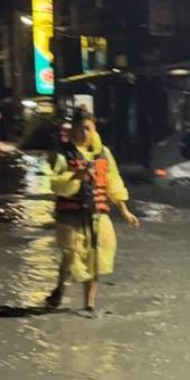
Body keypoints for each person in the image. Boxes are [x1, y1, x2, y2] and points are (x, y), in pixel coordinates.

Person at [44, 110, 139, 317]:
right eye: (80, 128)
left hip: (97, 215)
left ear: (94, 130)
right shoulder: (62, 154)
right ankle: (60, 288)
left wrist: (125, 210)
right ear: (73, 129)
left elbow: (113, 181)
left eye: (88, 128)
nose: (84, 132)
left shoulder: (103, 153)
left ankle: (89, 304)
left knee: (95, 257)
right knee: (72, 257)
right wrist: (75, 176)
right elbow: (55, 184)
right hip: (70, 217)